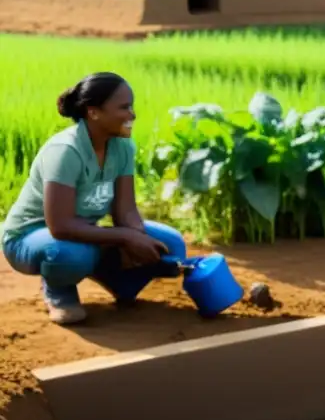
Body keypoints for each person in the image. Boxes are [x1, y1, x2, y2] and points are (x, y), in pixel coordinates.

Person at [1, 72, 187, 325]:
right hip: (31, 236)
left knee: (171, 246)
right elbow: (61, 226)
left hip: (82, 233)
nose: (132, 114)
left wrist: (136, 237)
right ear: (94, 112)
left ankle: (118, 281)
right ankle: (58, 290)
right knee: (71, 255)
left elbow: (126, 211)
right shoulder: (65, 151)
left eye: (131, 106)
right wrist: (125, 237)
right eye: (124, 107)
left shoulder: (122, 146)